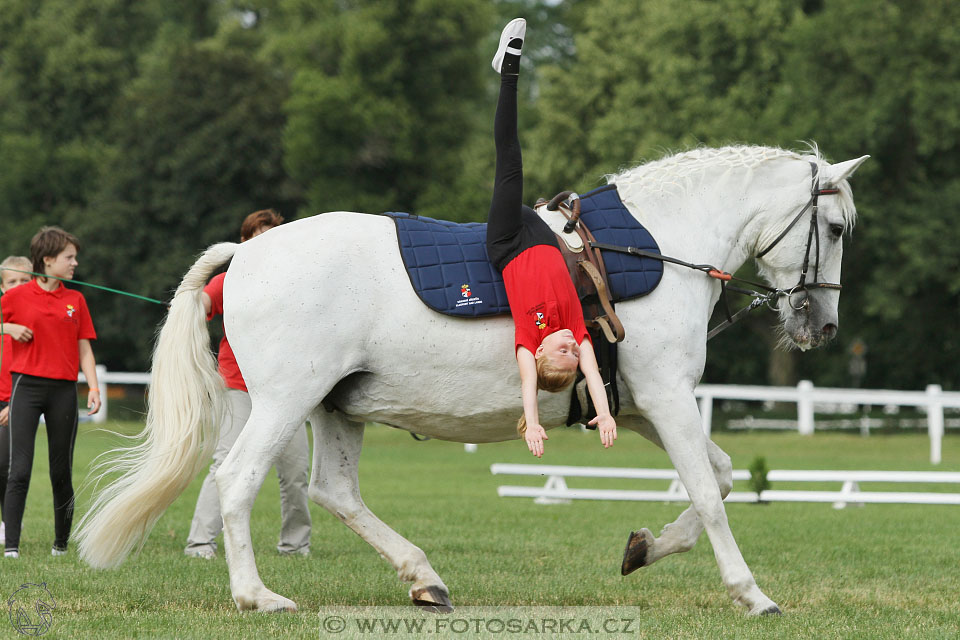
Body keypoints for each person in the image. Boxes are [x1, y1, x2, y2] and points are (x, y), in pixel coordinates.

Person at [486, 19, 617, 458]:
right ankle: (509, 68)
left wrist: (534, 423)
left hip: (507, 242)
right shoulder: (575, 328)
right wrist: (605, 412)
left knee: (511, 164)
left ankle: (508, 68)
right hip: (541, 236)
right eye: (573, 354)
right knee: (527, 179)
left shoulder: (528, 338)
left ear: (540, 352)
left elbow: (528, 384)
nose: (570, 346)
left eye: (561, 351)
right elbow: (595, 376)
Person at [185, 209, 312, 559]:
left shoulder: (296, 283)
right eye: (259, 237)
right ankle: (199, 543)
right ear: (243, 242)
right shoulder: (231, 279)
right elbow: (205, 302)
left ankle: (295, 545)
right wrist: (188, 305)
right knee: (227, 463)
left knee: (296, 470)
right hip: (237, 386)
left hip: (288, 392)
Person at [1, 229, 101, 558]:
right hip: (25, 387)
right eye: (69, 257)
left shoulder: (76, 301)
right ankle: (12, 548)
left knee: (61, 471)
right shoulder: (15, 296)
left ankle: (60, 545)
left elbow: (83, 346)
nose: (75, 263)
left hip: (63, 391)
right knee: (19, 469)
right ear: (47, 260)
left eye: (74, 257)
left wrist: (94, 386)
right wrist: (7, 327)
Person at [0, 256, 34, 547]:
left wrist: (16, 403)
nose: (19, 287)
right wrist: (5, 328)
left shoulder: (35, 319)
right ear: (2, 287)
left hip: (13, 403)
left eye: (25, 280)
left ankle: (7, 520)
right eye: (12, 282)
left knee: (5, 465)